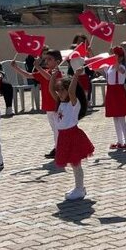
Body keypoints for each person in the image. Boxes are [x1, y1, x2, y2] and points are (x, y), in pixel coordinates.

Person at [48, 68, 95, 200]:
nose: (60, 92)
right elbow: (51, 89)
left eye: (62, 90)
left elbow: (71, 91)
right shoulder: (60, 102)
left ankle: (80, 188)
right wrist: (53, 76)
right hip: (63, 136)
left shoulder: (73, 103)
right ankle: (78, 187)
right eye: (59, 90)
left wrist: (75, 76)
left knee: (76, 164)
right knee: (74, 165)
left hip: (73, 136)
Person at [11, 49, 62, 158]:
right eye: (46, 59)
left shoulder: (56, 72)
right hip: (48, 105)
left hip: (56, 105)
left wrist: (38, 67)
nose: (47, 61)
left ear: (57, 62)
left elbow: (49, 78)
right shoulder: (46, 71)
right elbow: (29, 75)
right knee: (55, 129)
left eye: (50, 59)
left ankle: (59, 149)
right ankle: (58, 147)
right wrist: (16, 68)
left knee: (58, 129)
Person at [97, 46, 126, 150]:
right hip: (111, 93)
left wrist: (115, 60)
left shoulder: (121, 67)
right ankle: (120, 141)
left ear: (121, 57)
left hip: (119, 93)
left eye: (115, 55)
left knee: (121, 119)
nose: (112, 56)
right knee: (115, 119)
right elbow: (97, 67)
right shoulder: (109, 67)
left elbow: (120, 71)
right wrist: (90, 54)